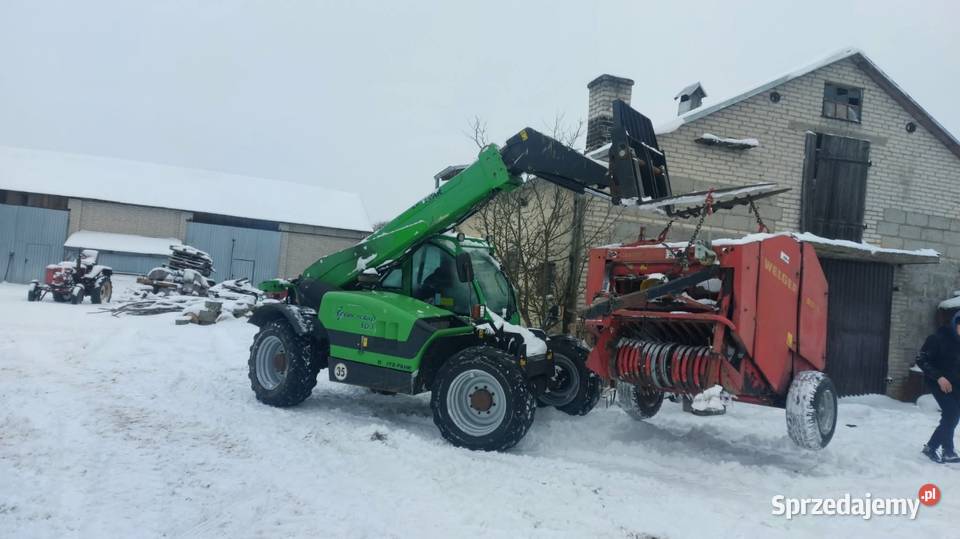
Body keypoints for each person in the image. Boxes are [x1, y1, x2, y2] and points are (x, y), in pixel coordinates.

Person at [916, 311, 960, 463]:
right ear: (955, 324)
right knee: (952, 413)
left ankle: (947, 450)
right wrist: (939, 377)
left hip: (956, 383)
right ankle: (932, 447)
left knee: (953, 416)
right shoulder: (938, 338)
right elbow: (921, 359)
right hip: (937, 382)